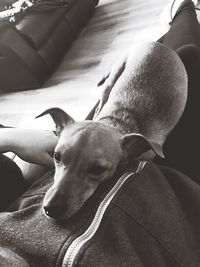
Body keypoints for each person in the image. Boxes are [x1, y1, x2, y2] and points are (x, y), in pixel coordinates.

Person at [0, 0, 200, 266]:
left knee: (183, 56)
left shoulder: (133, 149)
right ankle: (183, 13)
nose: (57, 198)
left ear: (132, 151)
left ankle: (182, 13)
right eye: (59, 158)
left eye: (95, 170)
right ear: (58, 128)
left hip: (137, 93)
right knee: (188, 55)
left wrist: (11, 138)